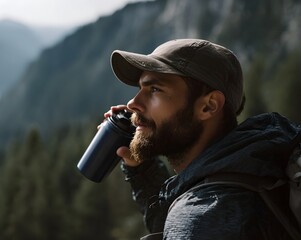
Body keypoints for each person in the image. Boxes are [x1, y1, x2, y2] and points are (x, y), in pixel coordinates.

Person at [105, 39, 301, 239]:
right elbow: (173, 217)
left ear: (209, 106)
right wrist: (140, 169)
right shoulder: (255, 166)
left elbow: (190, 221)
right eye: (140, 89)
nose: (132, 103)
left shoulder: (204, 216)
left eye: (155, 89)